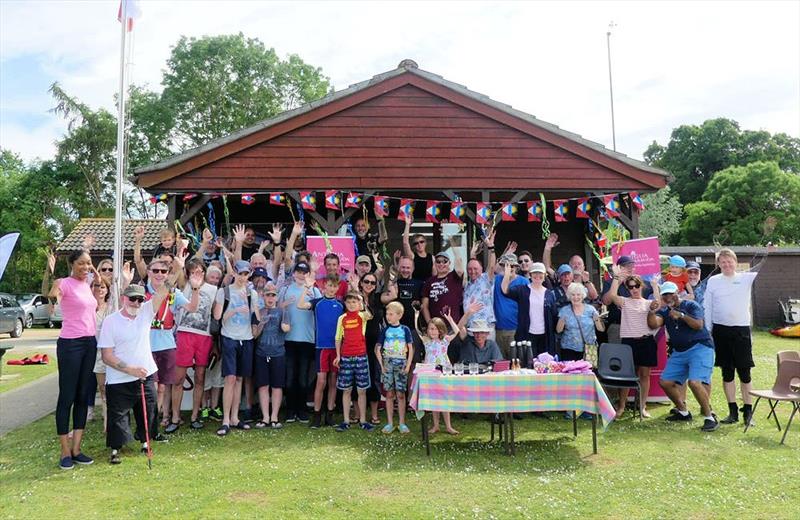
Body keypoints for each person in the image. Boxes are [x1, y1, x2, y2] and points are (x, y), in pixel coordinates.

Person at [99, 284, 167, 464]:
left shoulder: (145, 313)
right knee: (118, 416)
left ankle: (145, 442)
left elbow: (162, 292)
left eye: (140, 300)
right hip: (119, 379)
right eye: (132, 299)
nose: (136, 303)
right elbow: (106, 356)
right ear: (123, 298)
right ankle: (115, 449)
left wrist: (175, 270)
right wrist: (130, 369)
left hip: (145, 375)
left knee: (149, 412)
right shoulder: (110, 321)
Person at [46, 249, 98, 470]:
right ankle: (64, 451)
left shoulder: (87, 284)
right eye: (82, 264)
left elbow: (102, 281)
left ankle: (77, 449)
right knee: (67, 396)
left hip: (89, 343)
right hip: (70, 344)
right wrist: (49, 274)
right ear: (72, 264)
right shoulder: (63, 282)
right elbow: (52, 295)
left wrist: (92, 269)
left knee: (83, 395)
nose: (85, 267)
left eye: (88, 264)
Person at [704, 248, 767, 426]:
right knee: (727, 372)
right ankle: (732, 412)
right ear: (718, 264)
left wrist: (767, 251)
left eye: (729, 261)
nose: (727, 264)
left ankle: (748, 412)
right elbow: (707, 305)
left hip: (741, 331)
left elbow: (761, 263)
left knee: (745, 373)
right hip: (720, 330)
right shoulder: (714, 281)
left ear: (735, 262)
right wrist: (709, 328)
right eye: (723, 262)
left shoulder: (745, 278)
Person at [650, 282, 719, 432]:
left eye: (671, 293)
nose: (669, 297)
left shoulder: (691, 305)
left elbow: (698, 325)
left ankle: (709, 417)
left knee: (695, 382)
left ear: (678, 292)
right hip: (680, 351)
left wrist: (681, 315)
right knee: (665, 382)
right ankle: (683, 412)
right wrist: (651, 312)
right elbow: (654, 324)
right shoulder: (664, 311)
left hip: (700, 347)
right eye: (665, 295)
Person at [145, 254, 200, 433]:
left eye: (164, 271)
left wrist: (196, 289)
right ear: (148, 272)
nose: (160, 274)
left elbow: (192, 308)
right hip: (145, 345)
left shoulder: (174, 293)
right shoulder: (141, 291)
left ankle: (155, 421)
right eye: (156, 271)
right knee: (150, 386)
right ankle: (146, 420)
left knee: (162, 386)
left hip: (167, 343)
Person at [212, 260, 260, 436]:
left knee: (239, 379)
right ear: (234, 274)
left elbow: (257, 316)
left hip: (246, 338)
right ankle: (225, 419)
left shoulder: (251, 293)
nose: (243, 277)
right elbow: (217, 316)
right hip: (229, 337)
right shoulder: (223, 292)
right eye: (241, 274)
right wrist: (233, 310)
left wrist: (256, 314)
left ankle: (234, 417)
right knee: (230, 378)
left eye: (246, 274)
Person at [607, 266, 661, 418]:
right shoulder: (624, 301)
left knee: (645, 375)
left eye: (637, 285)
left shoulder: (647, 303)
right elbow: (612, 295)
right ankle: (621, 406)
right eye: (630, 287)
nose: (634, 289)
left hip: (646, 341)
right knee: (626, 375)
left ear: (641, 286)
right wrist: (617, 278)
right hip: (628, 343)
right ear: (627, 289)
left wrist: (656, 286)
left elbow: (658, 304)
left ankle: (642, 407)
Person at [171, 260, 218, 430]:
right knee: (178, 379)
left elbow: (215, 314)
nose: (197, 274)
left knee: (200, 377)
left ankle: (195, 416)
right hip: (185, 333)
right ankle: (175, 417)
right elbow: (177, 271)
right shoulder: (185, 286)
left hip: (204, 337)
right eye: (193, 272)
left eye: (200, 271)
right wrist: (180, 261)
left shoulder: (213, 289)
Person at [297, 275, 344, 428]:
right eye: (329, 285)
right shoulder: (318, 303)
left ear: (338, 288)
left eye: (334, 286)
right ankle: (317, 416)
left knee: (333, 381)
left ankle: (329, 415)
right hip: (321, 347)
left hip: (336, 348)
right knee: (321, 381)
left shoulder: (341, 305)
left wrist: (355, 287)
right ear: (324, 286)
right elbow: (300, 305)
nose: (331, 289)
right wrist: (306, 288)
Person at [278, 261, 321, 423]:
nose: (302, 275)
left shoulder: (315, 291)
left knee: (303, 378)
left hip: (307, 340)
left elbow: (319, 310)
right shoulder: (285, 290)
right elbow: (277, 309)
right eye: (299, 271)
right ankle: (290, 410)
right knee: (289, 377)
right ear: (294, 273)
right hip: (288, 339)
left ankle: (301, 410)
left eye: (305, 272)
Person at [333, 292, 374, 432]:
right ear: (345, 304)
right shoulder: (342, 318)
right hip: (346, 357)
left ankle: (363, 420)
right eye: (349, 302)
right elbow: (338, 338)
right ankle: (345, 420)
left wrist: (363, 301)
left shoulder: (362, 316)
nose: (351, 304)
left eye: (354, 302)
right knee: (346, 390)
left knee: (362, 390)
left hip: (361, 356)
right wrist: (338, 356)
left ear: (359, 304)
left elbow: (370, 314)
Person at [251, 283, 290, 429]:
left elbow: (287, 328)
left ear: (276, 297)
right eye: (268, 295)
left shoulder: (282, 311)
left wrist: (284, 322)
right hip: (261, 353)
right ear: (263, 296)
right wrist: (261, 323)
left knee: (277, 386)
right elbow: (254, 335)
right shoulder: (258, 312)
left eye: (273, 295)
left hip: (278, 353)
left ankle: (274, 416)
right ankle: (265, 417)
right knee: (263, 386)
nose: (270, 298)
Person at [501, 262, 557, 361]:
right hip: (527, 335)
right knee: (527, 364)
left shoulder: (549, 294)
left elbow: (554, 316)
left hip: (545, 337)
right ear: (530, 275)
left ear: (545, 276)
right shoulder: (523, 290)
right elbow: (505, 291)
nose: (538, 277)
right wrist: (507, 275)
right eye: (535, 274)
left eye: (540, 274)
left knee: (545, 365)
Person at [375, 301, 414, 434]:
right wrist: (382, 365)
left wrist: (408, 365)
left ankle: (402, 423)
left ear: (399, 315)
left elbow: (410, 348)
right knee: (389, 393)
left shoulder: (405, 330)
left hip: (401, 363)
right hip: (388, 363)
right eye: (387, 314)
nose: (388, 316)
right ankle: (390, 423)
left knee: (400, 393)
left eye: (391, 314)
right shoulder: (385, 330)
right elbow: (378, 348)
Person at [422, 312, 461, 435]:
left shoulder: (445, 340)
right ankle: (436, 425)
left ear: (440, 330)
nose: (432, 331)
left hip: (444, 371)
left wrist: (449, 318)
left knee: (445, 399)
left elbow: (456, 331)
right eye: (430, 329)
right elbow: (417, 329)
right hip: (431, 372)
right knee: (434, 399)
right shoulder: (426, 341)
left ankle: (448, 426)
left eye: (435, 329)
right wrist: (417, 315)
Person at [601, 255, 652, 344]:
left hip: (639, 328)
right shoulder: (610, 282)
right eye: (626, 266)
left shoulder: (640, 283)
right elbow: (606, 301)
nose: (630, 269)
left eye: (632, 266)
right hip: (618, 326)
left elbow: (658, 290)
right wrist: (618, 281)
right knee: (619, 356)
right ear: (619, 268)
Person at [542, 233, 599, 300]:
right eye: (574, 263)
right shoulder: (562, 277)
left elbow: (595, 297)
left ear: (584, 267)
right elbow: (547, 267)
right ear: (569, 266)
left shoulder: (586, 282)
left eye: (579, 264)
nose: (576, 266)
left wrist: (587, 282)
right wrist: (547, 247)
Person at [556, 282, 605, 361]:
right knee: (570, 372)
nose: (576, 297)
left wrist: (597, 318)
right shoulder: (564, 310)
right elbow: (558, 330)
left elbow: (600, 329)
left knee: (588, 372)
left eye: (578, 294)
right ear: (569, 296)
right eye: (573, 295)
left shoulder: (591, 310)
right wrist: (562, 320)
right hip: (569, 349)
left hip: (589, 349)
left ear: (583, 296)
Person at [91, 275, 115, 433]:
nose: (99, 289)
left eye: (103, 287)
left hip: (111, 352)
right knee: (102, 388)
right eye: (96, 286)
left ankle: (113, 419)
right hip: (96, 353)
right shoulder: (88, 308)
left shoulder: (111, 307)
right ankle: (106, 418)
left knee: (113, 387)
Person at [493, 250, 527, 359]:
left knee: (515, 363)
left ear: (517, 267)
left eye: (512, 265)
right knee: (500, 363)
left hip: (515, 329)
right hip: (498, 330)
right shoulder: (496, 280)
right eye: (506, 265)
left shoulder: (524, 282)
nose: (510, 268)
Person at [462, 229, 497, 334]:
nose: (472, 272)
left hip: (486, 326)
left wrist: (491, 247)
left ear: (481, 269)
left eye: (475, 269)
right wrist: (473, 253)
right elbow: (472, 263)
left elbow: (491, 266)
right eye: (469, 269)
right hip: (470, 326)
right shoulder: (467, 284)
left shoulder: (486, 278)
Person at [421, 249, 464, 327]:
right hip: (436, 328)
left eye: (444, 261)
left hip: (453, 326)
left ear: (449, 263)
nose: (441, 264)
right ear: (435, 263)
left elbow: (460, 267)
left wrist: (453, 244)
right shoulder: (429, 282)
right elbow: (425, 306)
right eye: (438, 261)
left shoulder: (454, 276)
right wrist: (429, 323)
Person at [402, 215, 433, 282]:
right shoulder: (412, 256)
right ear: (413, 246)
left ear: (425, 243)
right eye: (416, 243)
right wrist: (407, 224)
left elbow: (435, 276)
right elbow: (405, 243)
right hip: (415, 288)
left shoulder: (432, 258)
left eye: (421, 242)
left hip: (427, 289)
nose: (419, 244)